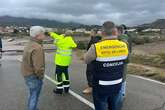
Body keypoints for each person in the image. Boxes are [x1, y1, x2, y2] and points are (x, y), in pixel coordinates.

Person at [84, 21, 129, 110]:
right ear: (115, 32)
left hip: (100, 85)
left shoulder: (96, 47)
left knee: (101, 106)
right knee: (115, 106)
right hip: (117, 83)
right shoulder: (124, 45)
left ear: (102, 33)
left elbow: (86, 60)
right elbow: (126, 60)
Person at [21, 26, 46, 110]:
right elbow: (38, 67)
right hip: (33, 76)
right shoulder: (37, 47)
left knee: (32, 94)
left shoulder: (29, 44)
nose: (44, 36)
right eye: (43, 34)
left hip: (26, 73)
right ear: (38, 35)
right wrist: (40, 76)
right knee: (34, 96)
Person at [83, 29, 102, 94]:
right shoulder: (99, 39)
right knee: (96, 72)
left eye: (91, 32)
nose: (90, 33)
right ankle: (96, 86)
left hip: (92, 59)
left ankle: (90, 87)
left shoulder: (94, 39)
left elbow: (90, 49)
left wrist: (87, 56)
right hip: (98, 59)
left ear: (94, 33)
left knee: (89, 72)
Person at [117, 25, 132, 98]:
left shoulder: (122, 41)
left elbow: (127, 56)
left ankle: (121, 94)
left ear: (119, 32)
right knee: (123, 77)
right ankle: (122, 93)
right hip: (124, 62)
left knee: (121, 78)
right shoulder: (126, 39)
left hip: (122, 63)